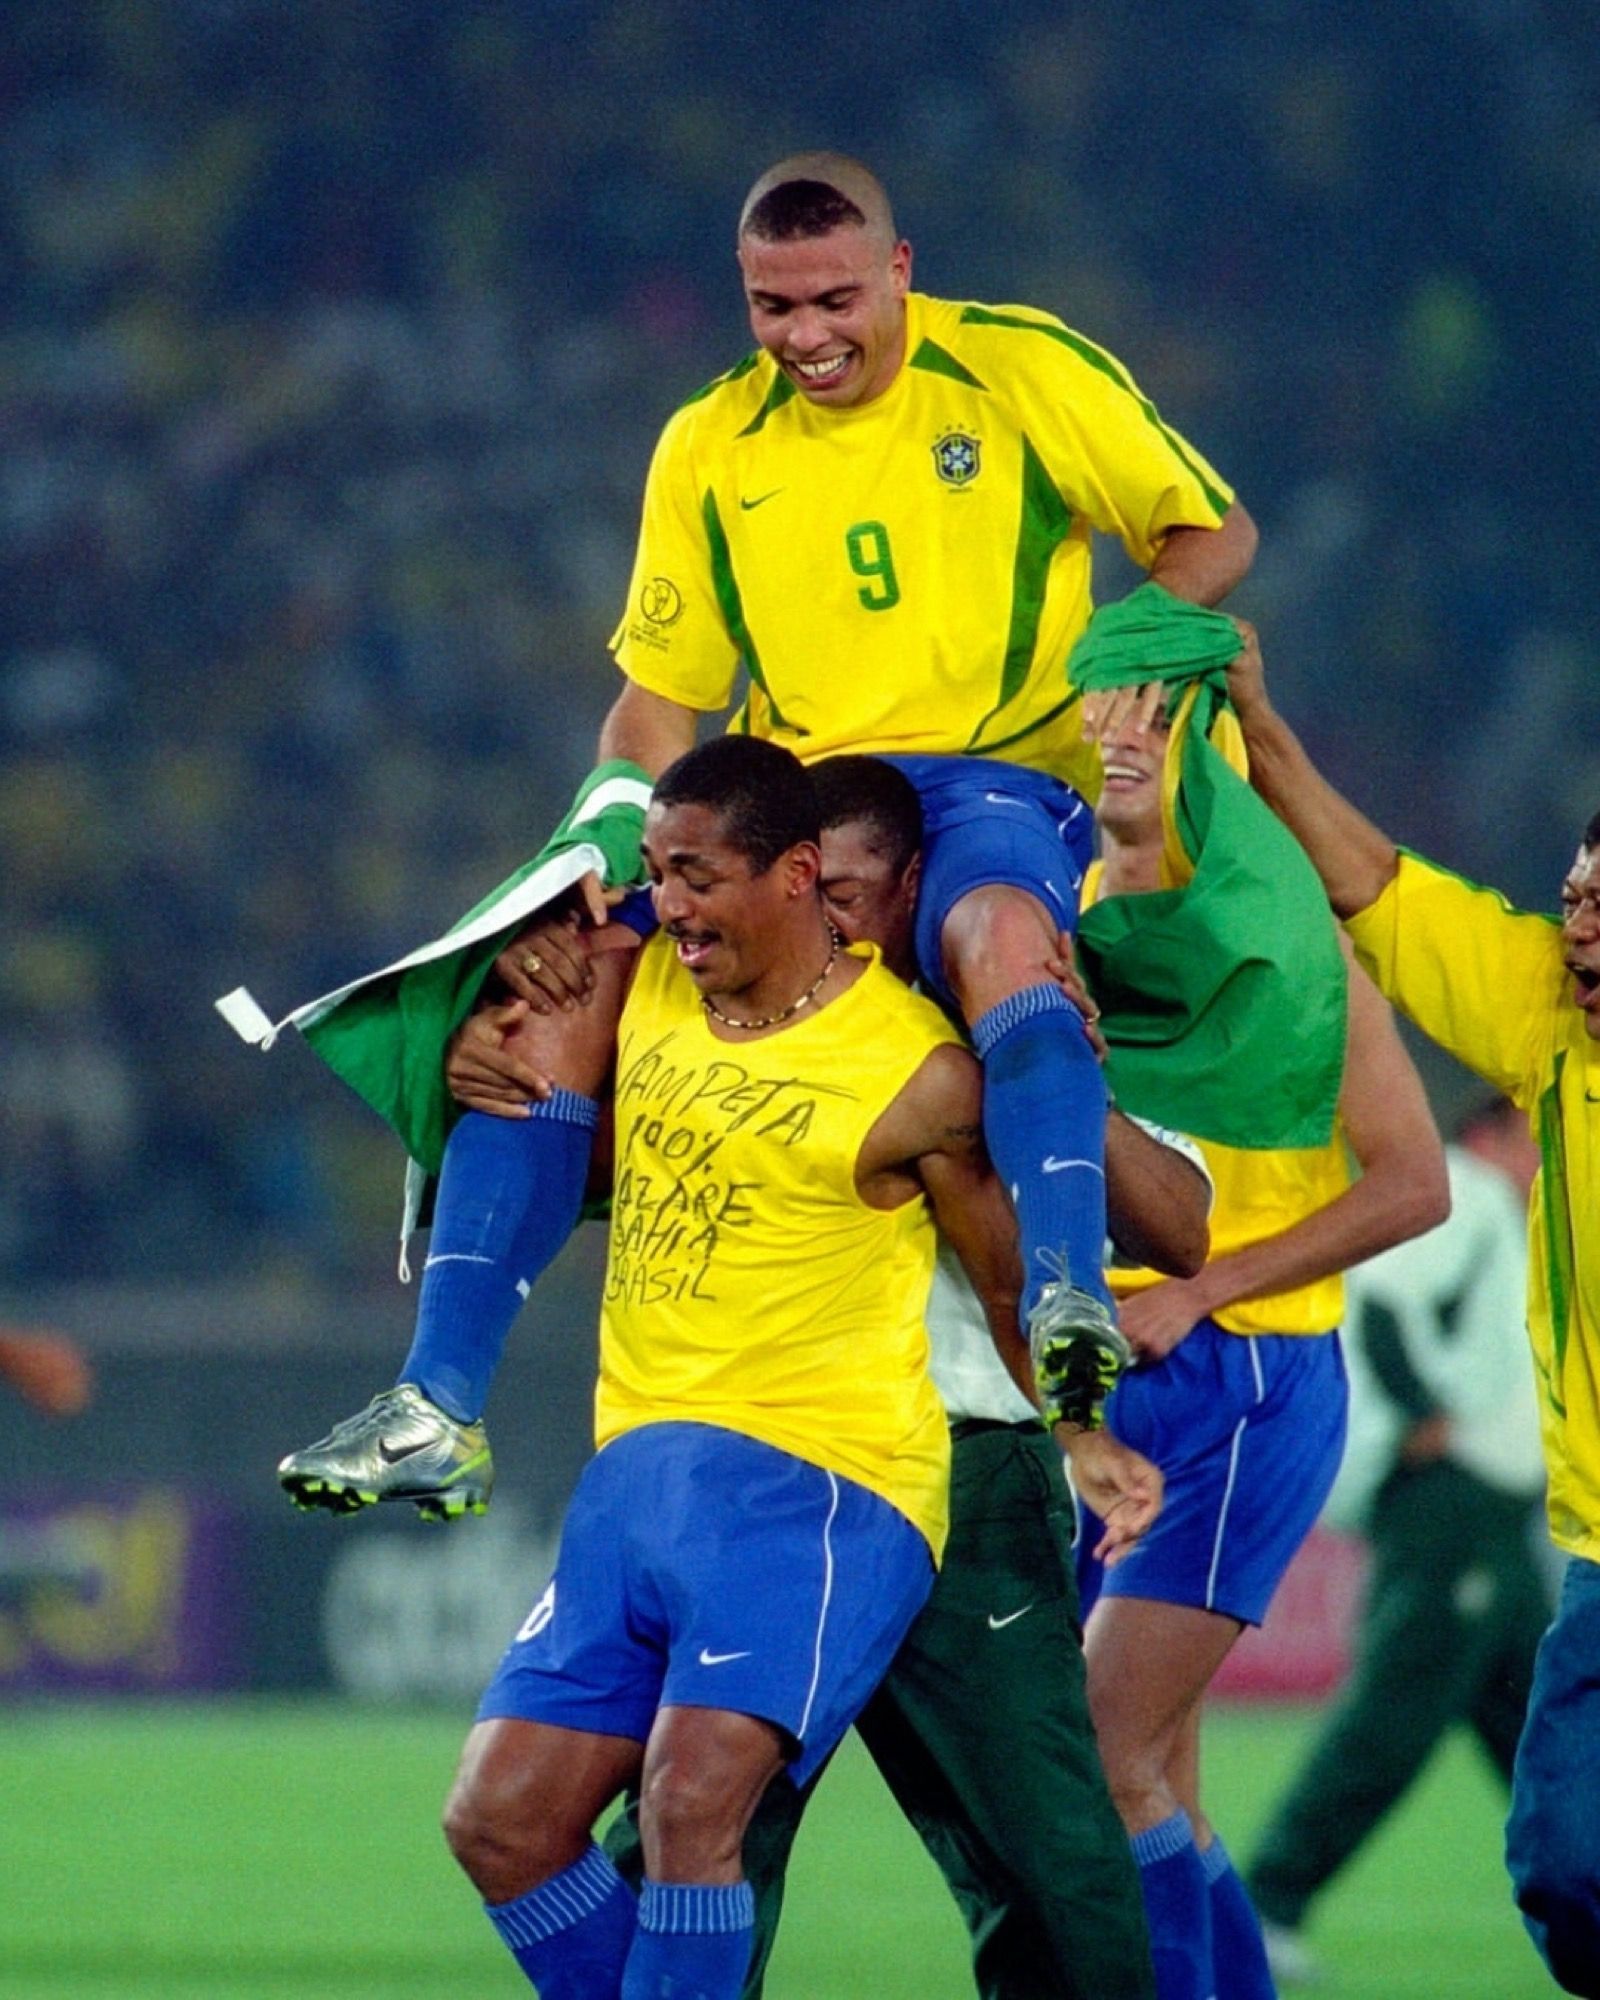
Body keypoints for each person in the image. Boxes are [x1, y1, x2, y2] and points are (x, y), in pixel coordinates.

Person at [277, 146, 1257, 1515]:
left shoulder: (1020, 369)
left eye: (835, 302)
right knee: (541, 1002)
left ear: (900, 273)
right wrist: (596, 855)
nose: (806, 337)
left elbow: (1207, 533)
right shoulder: (711, 443)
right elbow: (653, 704)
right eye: (773, 307)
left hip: (987, 786)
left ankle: (1063, 1294)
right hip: (784, 806)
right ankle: (437, 1406)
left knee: (994, 933)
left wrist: (1124, 665)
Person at [589, 752, 1208, 2000]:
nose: (836, 921)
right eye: (816, 893)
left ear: (919, 886)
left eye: (860, 893)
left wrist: (1052, 1084)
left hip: (965, 1474)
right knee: (689, 1831)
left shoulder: (1021, 1014)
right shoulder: (729, 1013)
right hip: (778, 1476)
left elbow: (1182, 1228)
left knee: (1051, 1863)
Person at [442, 732, 1037, 1999]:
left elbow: (1005, 1282)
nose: (671, 903)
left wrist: (1086, 1436)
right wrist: (467, 1048)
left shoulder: (917, 1067)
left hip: (821, 1485)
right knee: (497, 1820)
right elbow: (528, 1101)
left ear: (797, 873)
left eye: (698, 875)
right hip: (637, 1482)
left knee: (690, 1799)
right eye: (657, 873)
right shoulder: (642, 975)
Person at [1220, 620, 1600, 1999]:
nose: (1580, 933)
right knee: (1556, 1852)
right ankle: (1274, 1894)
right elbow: (1379, 883)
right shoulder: (1548, 1024)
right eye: (1574, 902)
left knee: (1489, 1737)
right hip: (1559, 1533)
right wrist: (1261, 732)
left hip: (1516, 1515)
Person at [1072, 690, 1449, 2000]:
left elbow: (1415, 1183)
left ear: (1213, 766)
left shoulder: (1298, 949)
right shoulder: (1041, 923)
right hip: (1092, 1390)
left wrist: (1205, 1287)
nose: (1121, 748)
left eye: (1156, 729)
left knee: (1099, 1751)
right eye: (1102, 723)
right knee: (1157, 1780)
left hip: (1240, 1379)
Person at [1247, 1090, 1549, 1986]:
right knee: (1396, 1711)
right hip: (1446, 1501)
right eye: (1533, 1140)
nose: (1544, 1160)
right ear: (1490, 1134)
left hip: (1483, 1512)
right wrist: (1424, 1415)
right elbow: (1383, 1301)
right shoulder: (1469, 1190)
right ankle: (1268, 1897)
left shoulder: (1493, 1210)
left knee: (1539, 1718)